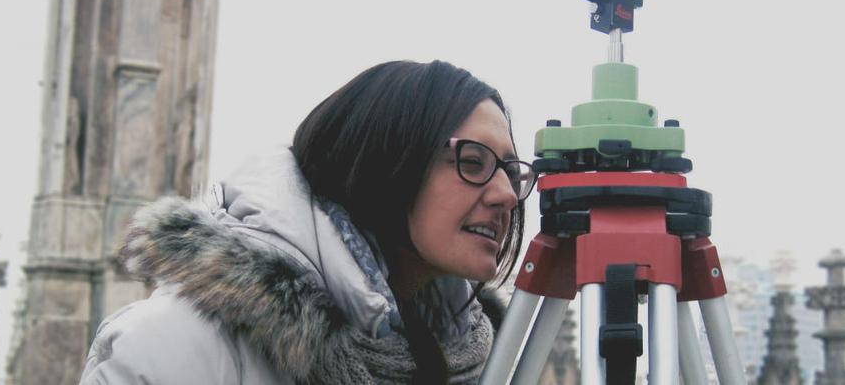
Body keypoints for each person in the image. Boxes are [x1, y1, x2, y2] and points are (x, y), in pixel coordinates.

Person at [79, 60, 537, 384]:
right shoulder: (175, 347)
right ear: (387, 162)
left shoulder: (479, 359)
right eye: (473, 162)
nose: (503, 195)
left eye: (512, 172)